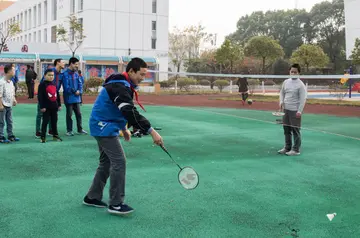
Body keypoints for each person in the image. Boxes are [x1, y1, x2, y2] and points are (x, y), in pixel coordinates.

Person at [83, 57, 163, 215]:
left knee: (105, 163)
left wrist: (124, 129)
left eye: (145, 74)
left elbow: (118, 110)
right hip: (103, 127)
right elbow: (128, 111)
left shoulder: (123, 84)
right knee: (119, 161)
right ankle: (116, 203)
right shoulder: (119, 86)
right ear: (131, 71)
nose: (143, 77)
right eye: (141, 74)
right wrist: (152, 131)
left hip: (105, 125)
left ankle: (92, 197)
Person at [278, 64, 307, 156]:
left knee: (295, 130)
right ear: (289, 72)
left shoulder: (301, 85)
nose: (293, 73)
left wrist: (299, 111)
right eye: (292, 71)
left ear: (299, 73)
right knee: (286, 129)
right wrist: (281, 101)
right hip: (286, 109)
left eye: (295, 72)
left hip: (295, 111)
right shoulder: (286, 82)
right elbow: (282, 93)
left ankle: (296, 149)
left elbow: (303, 99)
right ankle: (287, 147)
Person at [35, 59, 65, 138]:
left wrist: (58, 103)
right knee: (41, 114)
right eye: (63, 62)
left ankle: (52, 131)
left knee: (53, 116)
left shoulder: (61, 74)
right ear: (58, 63)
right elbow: (42, 85)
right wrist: (42, 103)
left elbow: (58, 89)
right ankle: (38, 131)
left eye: (52, 76)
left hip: (53, 99)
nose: (64, 63)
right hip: (45, 98)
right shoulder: (50, 71)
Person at [62, 57, 87, 136]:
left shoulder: (76, 74)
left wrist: (79, 91)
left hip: (77, 98)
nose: (77, 66)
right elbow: (66, 87)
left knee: (79, 114)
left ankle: (80, 129)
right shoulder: (65, 74)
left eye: (77, 64)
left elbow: (80, 84)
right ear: (71, 64)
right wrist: (74, 91)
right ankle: (69, 130)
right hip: (69, 98)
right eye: (76, 64)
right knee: (69, 115)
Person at [37, 69, 63, 143]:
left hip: (54, 106)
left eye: (52, 75)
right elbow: (40, 96)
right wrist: (42, 106)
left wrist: (59, 105)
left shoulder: (54, 84)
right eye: (49, 75)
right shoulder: (42, 85)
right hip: (46, 107)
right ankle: (43, 137)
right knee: (45, 122)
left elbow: (57, 95)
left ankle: (55, 135)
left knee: (54, 121)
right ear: (45, 76)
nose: (51, 76)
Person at [0, 65, 19, 143]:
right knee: (1, 121)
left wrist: (14, 100)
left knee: (10, 121)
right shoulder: (1, 82)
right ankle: (0, 136)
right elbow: (0, 94)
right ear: (8, 71)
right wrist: (0, 105)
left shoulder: (11, 82)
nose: (15, 72)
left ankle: (10, 135)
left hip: (9, 105)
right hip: (3, 105)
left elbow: (12, 93)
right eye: (13, 70)